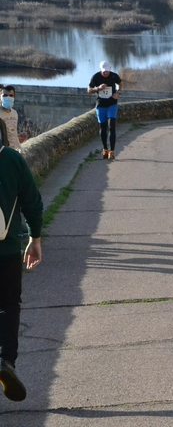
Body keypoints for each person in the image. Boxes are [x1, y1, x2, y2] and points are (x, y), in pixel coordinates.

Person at [0, 122, 44, 402]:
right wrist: (35, 238)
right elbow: (32, 201)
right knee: (8, 305)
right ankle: (6, 361)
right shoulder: (12, 159)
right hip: (6, 250)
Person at [87, 61, 122, 160]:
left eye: (107, 71)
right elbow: (89, 90)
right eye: (103, 71)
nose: (105, 73)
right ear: (100, 70)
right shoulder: (96, 77)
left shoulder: (114, 76)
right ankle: (105, 149)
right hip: (101, 105)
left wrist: (118, 93)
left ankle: (112, 151)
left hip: (112, 104)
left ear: (109, 69)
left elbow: (120, 84)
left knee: (112, 126)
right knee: (103, 128)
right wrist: (98, 88)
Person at [0, 85, 21, 151]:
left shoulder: (14, 113)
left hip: (15, 150)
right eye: (5, 95)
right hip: (3, 152)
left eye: (11, 95)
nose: (8, 98)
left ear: (14, 97)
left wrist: (20, 148)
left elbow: (14, 134)